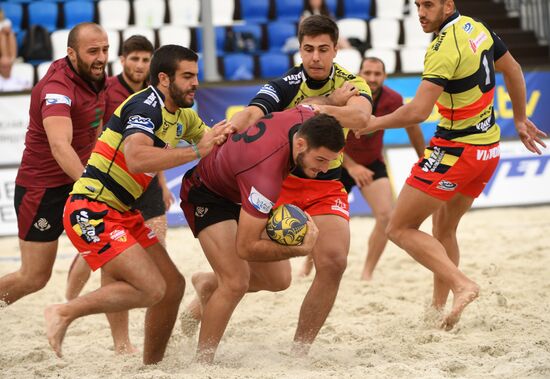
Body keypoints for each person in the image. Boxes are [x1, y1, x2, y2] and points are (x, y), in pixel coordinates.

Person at [185, 15, 373, 358]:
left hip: (324, 181)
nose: (315, 57)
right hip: (281, 181)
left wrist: (313, 108)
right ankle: (212, 286)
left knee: (333, 261)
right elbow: (253, 112)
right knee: (276, 280)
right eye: (308, 49)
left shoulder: (352, 82)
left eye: (323, 50)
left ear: (335, 49)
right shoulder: (286, 82)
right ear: (300, 49)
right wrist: (230, 128)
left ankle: (299, 352)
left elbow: (362, 119)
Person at [358, 0, 546, 330]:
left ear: (448, 5)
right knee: (444, 230)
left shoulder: (443, 47)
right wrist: (518, 119)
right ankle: (438, 307)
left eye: (428, 5)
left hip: (456, 150)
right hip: (488, 149)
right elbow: (513, 69)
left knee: (398, 228)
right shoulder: (477, 26)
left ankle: (462, 285)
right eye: (417, 5)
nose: (420, 12)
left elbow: (417, 112)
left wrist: (372, 123)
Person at [44, 44, 232, 364]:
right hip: (90, 208)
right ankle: (63, 311)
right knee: (150, 288)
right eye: (187, 76)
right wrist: (197, 151)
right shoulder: (146, 105)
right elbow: (136, 157)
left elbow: (213, 144)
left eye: (196, 76)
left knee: (172, 286)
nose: (195, 83)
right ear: (163, 79)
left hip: (122, 212)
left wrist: (234, 137)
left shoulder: (183, 114)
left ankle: (151, 365)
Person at [180, 105, 346, 363]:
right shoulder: (266, 176)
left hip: (241, 185)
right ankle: (202, 363)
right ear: (301, 144)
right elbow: (246, 247)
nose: (324, 169)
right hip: (209, 193)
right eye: (320, 161)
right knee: (235, 282)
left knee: (279, 280)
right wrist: (300, 250)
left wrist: (335, 98)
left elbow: (278, 106)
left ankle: (208, 282)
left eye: (330, 161)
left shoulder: (306, 116)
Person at [64, 35, 169, 355]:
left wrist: (163, 184)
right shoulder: (107, 90)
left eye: (145, 59)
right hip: (109, 184)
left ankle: (151, 337)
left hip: (146, 183)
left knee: (157, 255)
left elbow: (158, 145)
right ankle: (86, 314)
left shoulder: (158, 95)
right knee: (103, 258)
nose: (140, 65)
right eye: (134, 58)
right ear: (122, 60)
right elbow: (92, 135)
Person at [0, 22, 108, 307]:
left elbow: (94, 126)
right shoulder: (57, 87)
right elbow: (60, 146)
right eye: (93, 51)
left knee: (108, 249)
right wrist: (91, 185)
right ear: (71, 53)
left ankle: (74, 307)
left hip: (76, 181)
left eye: (105, 50)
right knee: (34, 277)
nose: (101, 57)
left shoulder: (95, 75)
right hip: (43, 189)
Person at [298, 56, 426, 280]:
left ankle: (367, 273)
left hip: (372, 163)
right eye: (367, 73)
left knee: (387, 216)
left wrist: (423, 158)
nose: (372, 78)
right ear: (359, 74)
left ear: (385, 77)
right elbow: (323, 137)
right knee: (319, 219)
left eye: (377, 74)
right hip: (337, 163)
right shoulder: (349, 96)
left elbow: (412, 126)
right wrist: (353, 166)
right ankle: (308, 266)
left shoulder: (393, 98)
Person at [0, 8, 30, 91]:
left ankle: (11, 58)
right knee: (2, 35)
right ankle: (5, 57)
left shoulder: (6, 21)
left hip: (6, 44)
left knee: (10, 34)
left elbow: (8, 29)